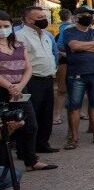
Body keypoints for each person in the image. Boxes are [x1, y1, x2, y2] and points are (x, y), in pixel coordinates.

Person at [0, 11, 56, 171]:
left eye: (6, 26)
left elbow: (28, 67)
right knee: (5, 129)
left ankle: (31, 161)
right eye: (0, 26)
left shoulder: (18, 45)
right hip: (3, 91)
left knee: (30, 125)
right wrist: (10, 86)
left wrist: (19, 85)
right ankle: (5, 167)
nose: (3, 29)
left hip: (20, 89)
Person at [62, 5, 94, 149]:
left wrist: (85, 46)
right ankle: (73, 138)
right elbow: (74, 46)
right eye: (85, 14)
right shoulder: (69, 31)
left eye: (90, 14)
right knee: (74, 107)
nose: (88, 17)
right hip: (76, 74)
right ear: (77, 17)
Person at [16, 6, 59, 153]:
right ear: (28, 19)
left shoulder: (45, 35)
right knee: (31, 115)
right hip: (32, 80)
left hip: (47, 79)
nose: (44, 20)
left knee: (46, 114)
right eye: (39, 18)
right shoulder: (20, 36)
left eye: (44, 16)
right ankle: (25, 149)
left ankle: (42, 144)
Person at [53, 8, 74, 125]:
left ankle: (57, 116)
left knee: (64, 90)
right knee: (63, 90)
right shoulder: (71, 30)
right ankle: (57, 116)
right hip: (66, 63)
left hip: (65, 63)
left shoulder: (58, 34)